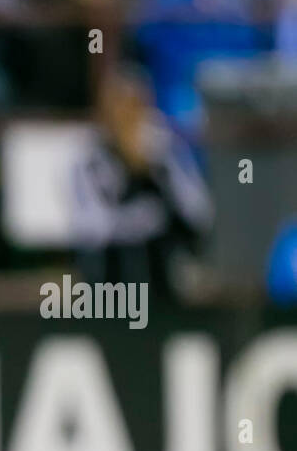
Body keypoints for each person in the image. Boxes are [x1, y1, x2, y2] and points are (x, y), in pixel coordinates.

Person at [72, 66, 212, 296]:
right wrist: (135, 219)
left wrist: (162, 170)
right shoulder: (89, 159)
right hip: (109, 286)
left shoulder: (165, 151)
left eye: (135, 107)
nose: (128, 118)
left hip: (162, 279)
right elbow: (89, 228)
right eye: (120, 109)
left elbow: (200, 213)